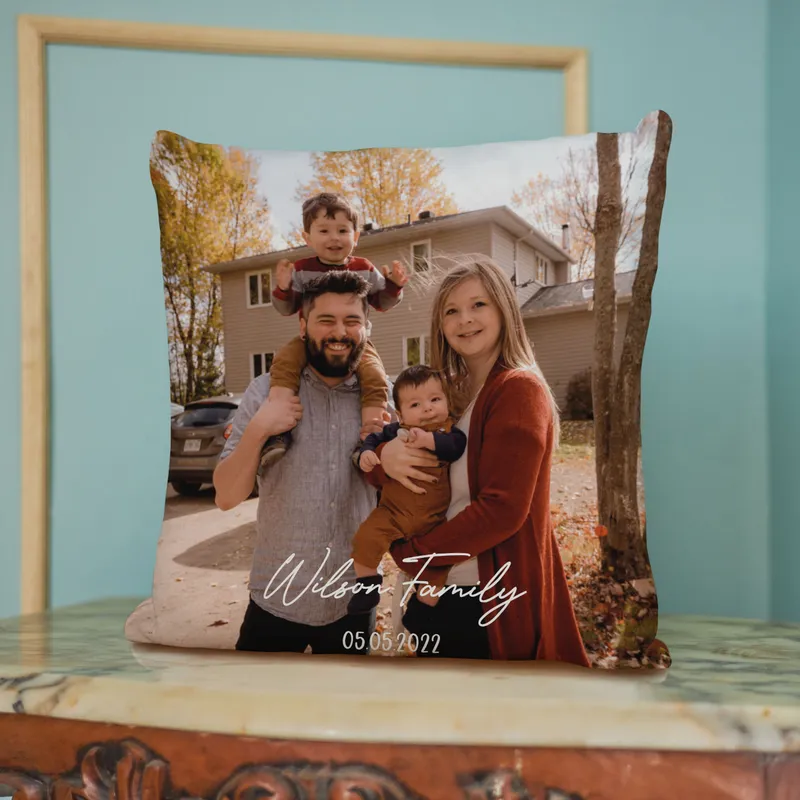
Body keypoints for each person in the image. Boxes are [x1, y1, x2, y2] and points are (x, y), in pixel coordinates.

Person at [365, 258, 591, 666]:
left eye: (478, 305)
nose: (464, 320)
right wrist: (385, 454)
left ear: (504, 308)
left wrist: (414, 556)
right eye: (451, 310)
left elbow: (502, 510)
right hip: (441, 590)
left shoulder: (518, 390)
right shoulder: (449, 395)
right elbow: (408, 465)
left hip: (482, 599)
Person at [213, 270, 388, 655]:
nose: (339, 332)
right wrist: (260, 428)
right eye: (326, 320)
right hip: (276, 598)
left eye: (351, 321)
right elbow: (226, 497)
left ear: (367, 327)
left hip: (352, 603)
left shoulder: (384, 403)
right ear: (303, 324)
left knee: (343, 715)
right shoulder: (265, 393)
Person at [260, 192, 408, 468]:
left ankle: (369, 438)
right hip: (309, 341)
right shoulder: (302, 271)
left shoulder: (364, 268)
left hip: (357, 344)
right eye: (324, 231)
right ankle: (278, 430)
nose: (334, 238)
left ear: (356, 236)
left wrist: (394, 285)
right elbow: (287, 308)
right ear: (307, 238)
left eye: (342, 230)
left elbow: (381, 302)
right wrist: (283, 288)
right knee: (284, 363)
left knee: (375, 376)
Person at [347, 364, 467, 615]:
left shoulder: (448, 431)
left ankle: (423, 609)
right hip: (392, 512)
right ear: (400, 416)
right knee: (365, 539)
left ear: (447, 401)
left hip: (433, 521)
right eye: (415, 405)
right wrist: (368, 452)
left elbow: (456, 446)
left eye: (435, 399)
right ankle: (367, 585)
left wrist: (429, 440)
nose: (427, 408)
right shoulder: (395, 431)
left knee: (435, 570)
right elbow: (373, 438)